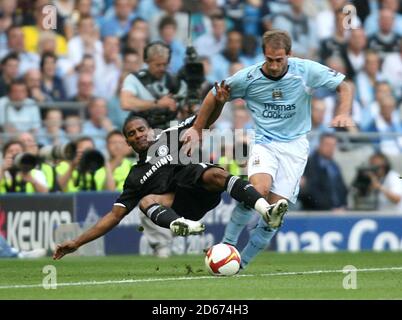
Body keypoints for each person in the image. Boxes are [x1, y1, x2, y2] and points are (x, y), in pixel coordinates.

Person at [181, 30, 354, 268]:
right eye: (269, 59)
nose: (273, 66)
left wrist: (343, 112)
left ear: (289, 55)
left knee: (273, 215)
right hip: (265, 142)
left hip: (295, 147)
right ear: (264, 55)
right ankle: (226, 247)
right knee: (256, 191)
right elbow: (213, 96)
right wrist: (197, 128)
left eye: (279, 60)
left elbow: (344, 86)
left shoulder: (305, 71)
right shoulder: (248, 78)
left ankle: (241, 265)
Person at [53, 115, 285, 260]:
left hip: (200, 187)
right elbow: (114, 216)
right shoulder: (134, 177)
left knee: (215, 173)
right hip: (182, 207)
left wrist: (219, 98)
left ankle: (267, 211)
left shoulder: (170, 136)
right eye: (132, 134)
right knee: (145, 202)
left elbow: (204, 119)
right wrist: (77, 242)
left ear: (150, 130)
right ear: (128, 142)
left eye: (141, 129)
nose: (138, 135)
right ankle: (178, 225)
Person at [120, 41, 187, 129]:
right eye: (158, 65)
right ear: (147, 62)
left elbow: (185, 108)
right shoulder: (135, 79)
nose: (162, 68)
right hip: (144, 129)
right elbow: (126, 103)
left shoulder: (174, 81)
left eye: (165, 64)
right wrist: (157, 104)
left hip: (171, 127)